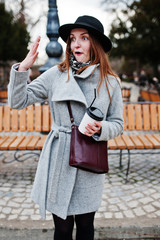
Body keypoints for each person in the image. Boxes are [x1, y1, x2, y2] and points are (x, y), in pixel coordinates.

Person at [8, 15, 123, 240]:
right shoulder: (57, 75)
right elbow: (17, 101)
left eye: (84, 38)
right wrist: (23, 69)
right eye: (72, 39)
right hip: (60, 159)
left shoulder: (110, 82)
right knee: (61, 228)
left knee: (86, 225)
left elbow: (117, 124)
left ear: (95, 44)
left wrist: (101, 129)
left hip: (89, 161)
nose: (76, 44)